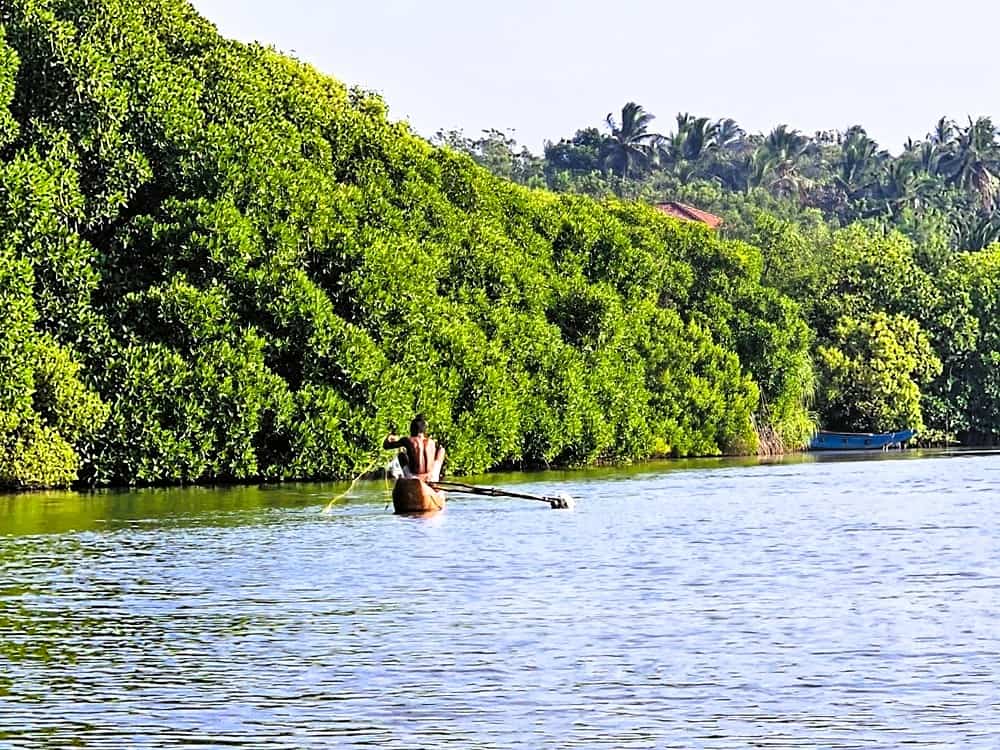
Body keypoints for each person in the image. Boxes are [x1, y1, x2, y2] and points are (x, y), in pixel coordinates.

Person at [383, 414, 446, 482]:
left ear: (412, 429)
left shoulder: (407, 440)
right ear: (424, 430)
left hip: (414, 478)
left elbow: (386, 446)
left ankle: (409, 476)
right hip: (432, 477)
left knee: (401, 455)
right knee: (441, 450)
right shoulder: (432, 442)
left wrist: (390, 437)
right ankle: (435, 476)